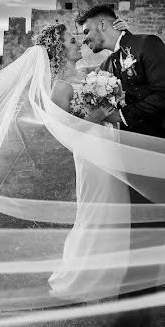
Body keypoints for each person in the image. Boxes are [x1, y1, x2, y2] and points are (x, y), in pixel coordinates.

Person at [77, 4, 165, 327]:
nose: (85, 39)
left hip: (156, 149)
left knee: (148, 226)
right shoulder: (111, 62)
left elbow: (164, 95)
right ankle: (135, 295)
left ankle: (136, 308)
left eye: (86, 32)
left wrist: (121, 118)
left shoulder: (147, 45)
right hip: (127, 153)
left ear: (102, 25)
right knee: (135, 225)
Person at [35, 22, 132, 302]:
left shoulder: (85, 74)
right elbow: (62, 130)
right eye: (70, 41)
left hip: (109, 145)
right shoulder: (60, 87)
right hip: (90, 155)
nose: (78, 43)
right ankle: (81, 277)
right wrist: (98, 117)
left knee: (116, 208)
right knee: (95, 211)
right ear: (58, 50)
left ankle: (110, 273)